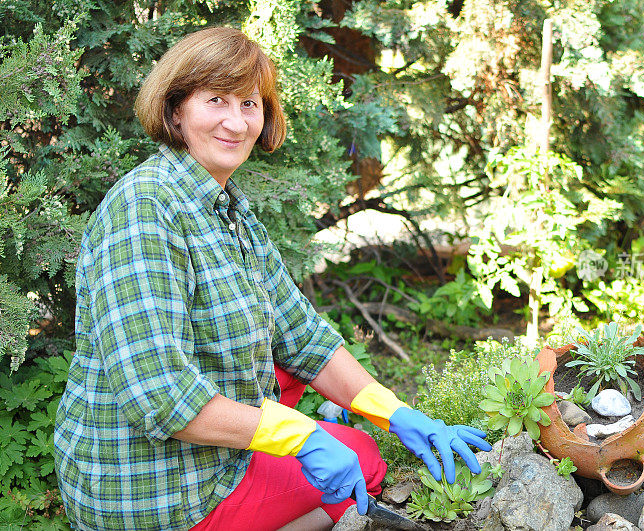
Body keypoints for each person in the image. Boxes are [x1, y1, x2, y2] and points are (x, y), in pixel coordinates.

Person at [53, 26, 491, 531]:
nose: (236, 122)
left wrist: (397, 413)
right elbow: (161, 395)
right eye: (216, 99)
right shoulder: (143, 209)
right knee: (361, 466)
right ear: (176, 112)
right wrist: (299, 435)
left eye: (250, 103)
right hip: (155, 490)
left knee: (351, 441)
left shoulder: (229, 211)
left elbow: (303, 338)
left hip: (213, 456)